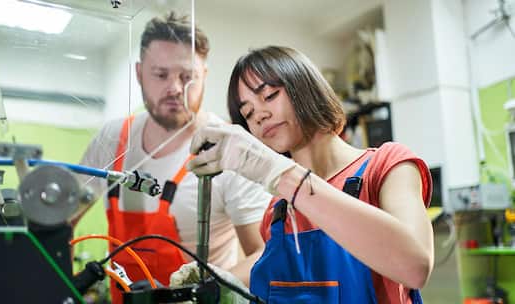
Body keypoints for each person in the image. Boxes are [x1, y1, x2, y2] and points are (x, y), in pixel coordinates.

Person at [186, 46, 434, 303]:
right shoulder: (278, 211)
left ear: (304, 85)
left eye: (269, 95)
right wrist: (222, 282)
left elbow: (415, 267)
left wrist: (282, 176)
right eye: (248, 113)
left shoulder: (386, 166)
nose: (259, 115)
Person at [77, 12, 271, 303]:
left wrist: (216, 285)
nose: (176, 88)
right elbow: (58, 221)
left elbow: (263, 255)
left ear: (204, 75)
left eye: (187, 76)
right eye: (161, 74)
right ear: (139, 73)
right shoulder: (111, 139)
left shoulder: (228, 148)